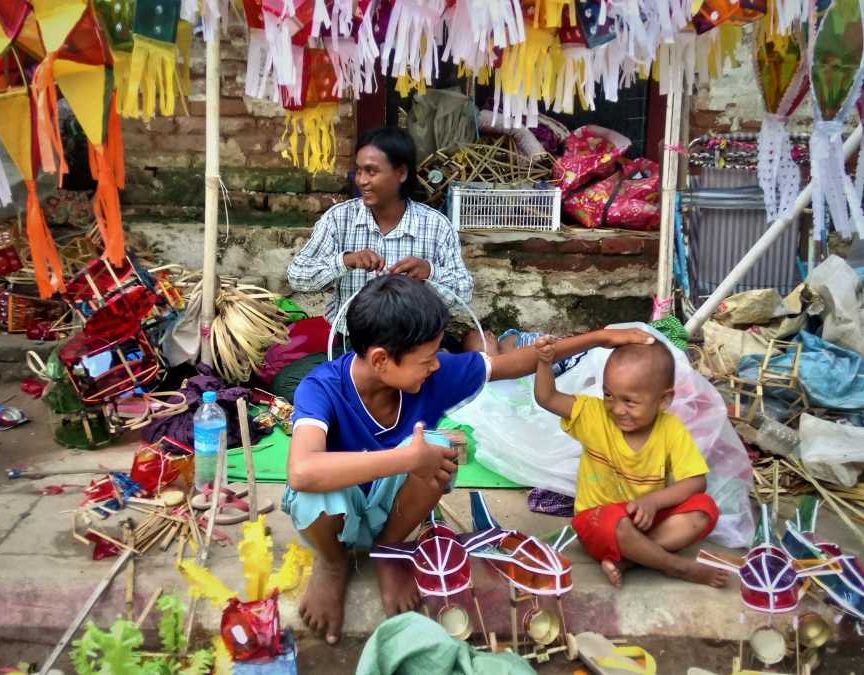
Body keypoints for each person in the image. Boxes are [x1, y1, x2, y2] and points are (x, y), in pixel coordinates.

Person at [283, 274, 653, 644]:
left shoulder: (432, 374)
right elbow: (302, 471)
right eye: (426, 359)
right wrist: (407, 459)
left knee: (437, 449)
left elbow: (514, 362)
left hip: (389, 510)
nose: (435, 366)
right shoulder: (322, 387)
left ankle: (389, 550)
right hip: (337, 511)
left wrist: (599, 338)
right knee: (314, 489)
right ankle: (333, 562)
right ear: (381, 360)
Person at [532, 337, 728, 590]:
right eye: (608, 395)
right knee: (617, 521)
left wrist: (652, 502)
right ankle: (674, 565)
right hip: (599, 522)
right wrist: (545, 362)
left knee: (704, 509)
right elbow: (546, 397)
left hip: (645, 519)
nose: (617, 408)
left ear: (663, 400)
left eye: (630, 401)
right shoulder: (594, 414)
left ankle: (630, 560)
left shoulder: (671, 429)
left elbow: (696, 481)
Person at [286, 126, 474, 344]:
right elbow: (297, 277)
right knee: (294, 379)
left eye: (371, 171)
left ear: (401, 173)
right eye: (359, 171)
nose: (361, 180)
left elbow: (464, 293)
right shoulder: (339, 218)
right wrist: (346, 261)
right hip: (350, 343)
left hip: (414, 345)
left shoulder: (436, 225)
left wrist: (430, 273)